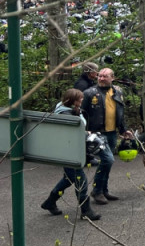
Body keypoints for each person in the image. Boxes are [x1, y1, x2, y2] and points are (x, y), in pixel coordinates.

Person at [40, 89, 101, 221]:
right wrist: (85, 134)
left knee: (68, 179)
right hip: (69, 152)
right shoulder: (66, 115)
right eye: (80, 99)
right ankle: (86, 211)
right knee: (81, 181)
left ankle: (50, 202)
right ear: (73, 101)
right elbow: (69, 134)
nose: (82, 100)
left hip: (70, 150)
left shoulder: (68, 109)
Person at [81, 68, 133, 204]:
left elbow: (120, 112)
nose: (101, 78)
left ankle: (104, 190)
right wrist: (85, 131)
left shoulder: (118, 92)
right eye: (100, 76)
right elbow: (80, 113)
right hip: (97, 134)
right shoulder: (89, 93)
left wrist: (123, 130)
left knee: (107, 164)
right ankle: (97, 191)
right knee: (108, 160)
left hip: (112, 133)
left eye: (105, 76)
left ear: (112, 78)